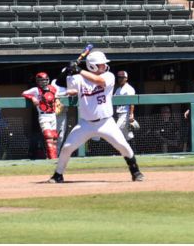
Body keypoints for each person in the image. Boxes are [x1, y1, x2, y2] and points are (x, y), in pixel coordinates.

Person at [49, 51, 144, 183]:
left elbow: (99, 81)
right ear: (92, 66)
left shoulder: (109, 76)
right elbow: (59, 87)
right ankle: (58, 175)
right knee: (67, 148)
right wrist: (67, 72)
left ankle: (136, 172)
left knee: (123, 145)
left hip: (106, 122)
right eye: (101, 64)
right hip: (85, 124)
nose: (104, 65)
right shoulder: (79, 78)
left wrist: (79, 70)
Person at [23, 72, 60, 159]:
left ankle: (54, 157)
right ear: (37, 81)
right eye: (41, 80)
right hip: (43, 116)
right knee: (48, 136)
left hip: (53, 115)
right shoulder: (36, 90)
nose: (44, 82)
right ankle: (52, 159)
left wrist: (57, 102)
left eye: (45, 80)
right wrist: (32, 97)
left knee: (54, 137)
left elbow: (57, 96)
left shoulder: (53, 88)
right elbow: (24, 93)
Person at [114, 71, 136, 141]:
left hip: (125, 113)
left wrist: (131, 114)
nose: (120, 79)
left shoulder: (129, 88)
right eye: (119, 77)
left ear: (126, 78)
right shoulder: (118, 89)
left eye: (122, 77)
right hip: (119, 113)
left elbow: (132, 102)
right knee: (128, 136)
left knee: (116, 130)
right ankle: (133, 148)